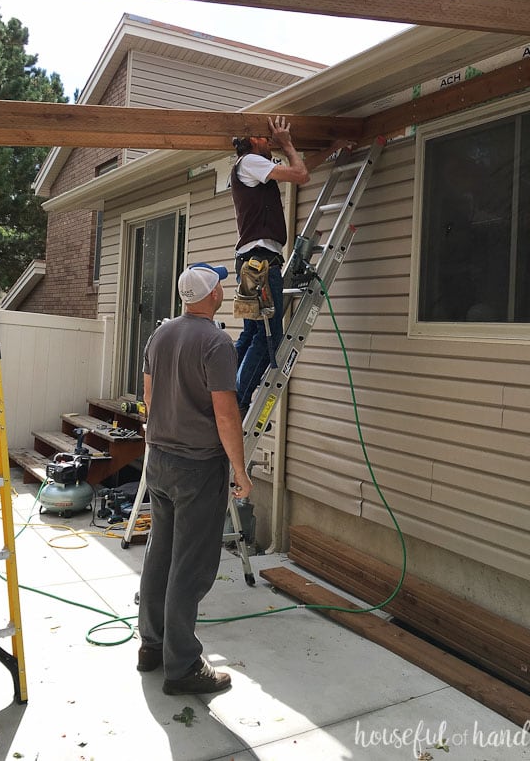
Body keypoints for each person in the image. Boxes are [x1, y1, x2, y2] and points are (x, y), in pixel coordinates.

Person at [136, 262, 252, 695]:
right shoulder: (217, 342)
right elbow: (225, 413)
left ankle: (152, 645)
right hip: (198, 466)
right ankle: (182, 665)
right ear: (211, 295)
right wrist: (239, 471)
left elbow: (148, 396)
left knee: (160, 554)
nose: (225, 288)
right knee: (191, 564)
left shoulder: (161, 334)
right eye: (220, 284)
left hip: (160, 459)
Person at [231, 115, 352, 414]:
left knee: (251, 333)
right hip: (261, 264)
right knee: (266, 336)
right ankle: (238, 403)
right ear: (251, 140)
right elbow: (301, 175)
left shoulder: (255, 167)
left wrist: (333, 148)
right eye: (264, 135)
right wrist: (287, 143)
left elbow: (301, 169)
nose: (270, 139)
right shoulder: (249, 161)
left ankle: (227, 395)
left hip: (251, 264)